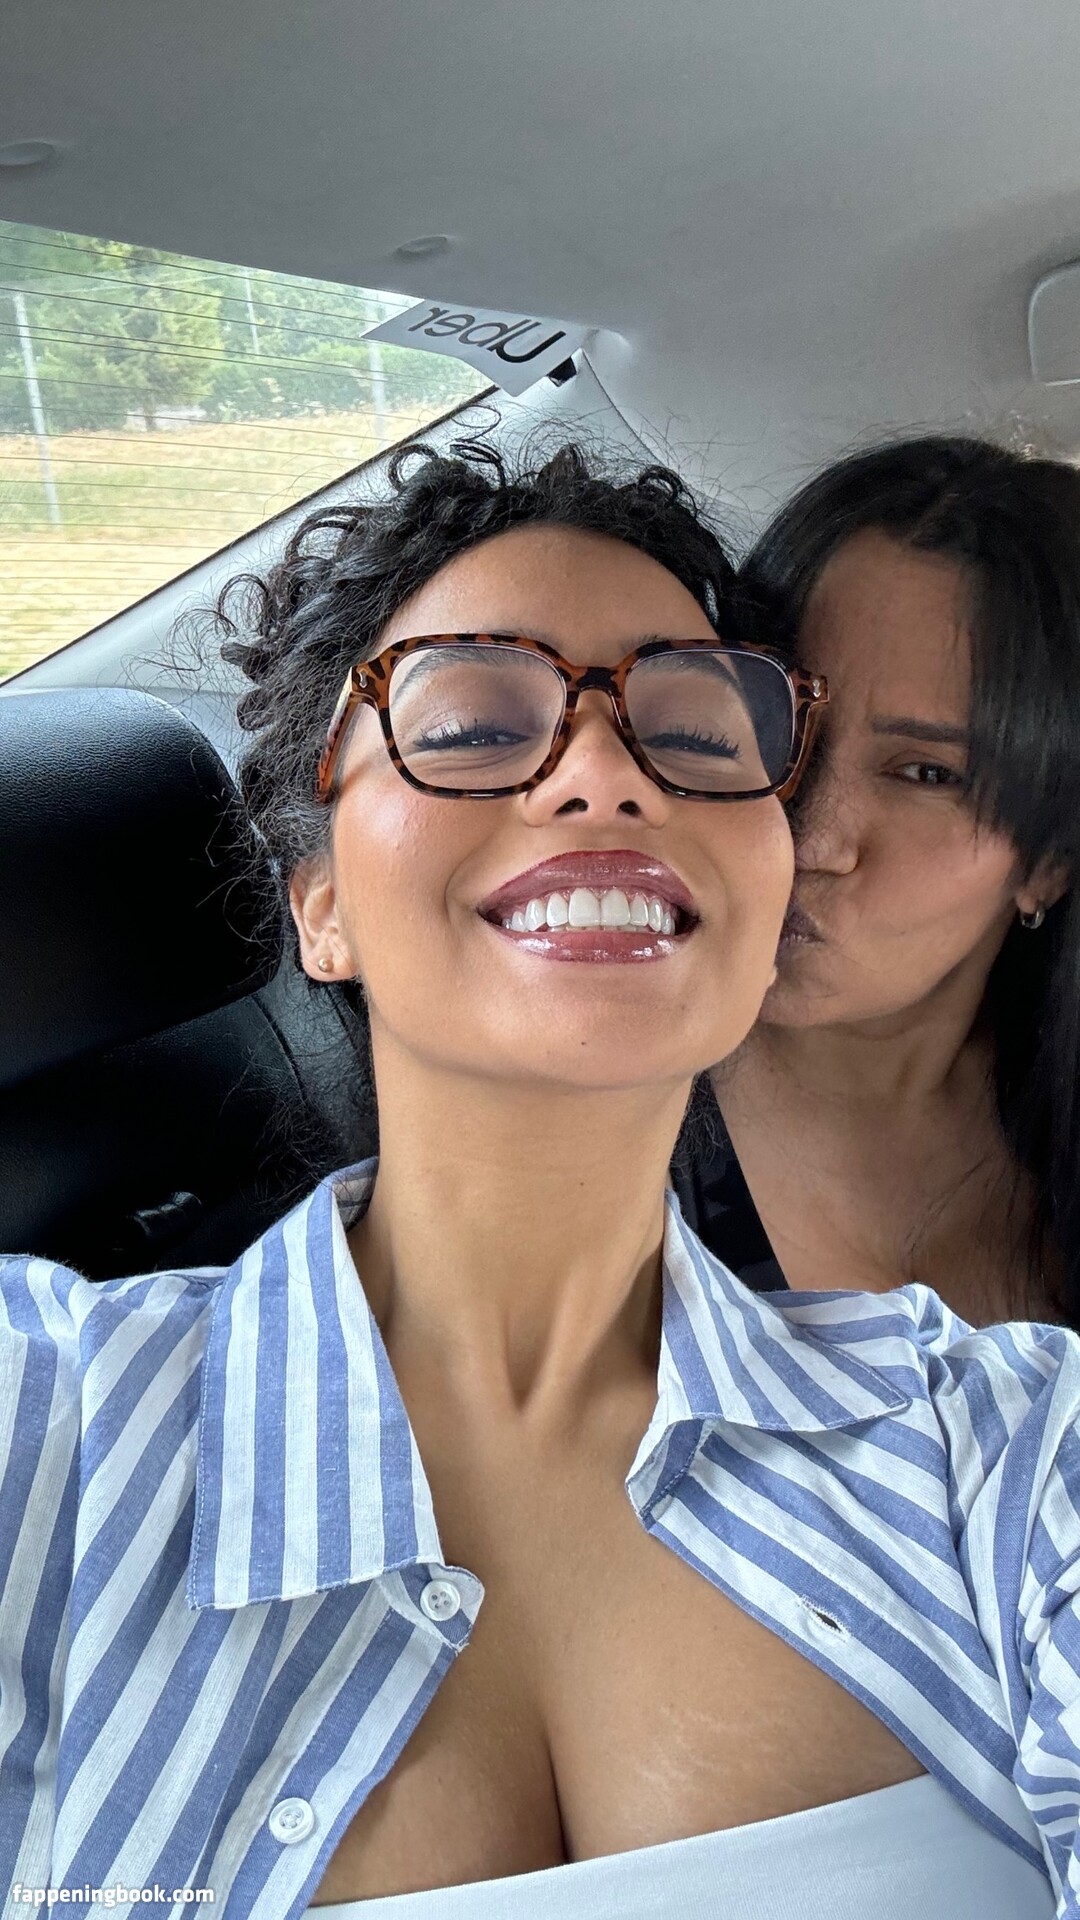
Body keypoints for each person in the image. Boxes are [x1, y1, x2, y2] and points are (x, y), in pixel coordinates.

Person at [0, 439, 1075, 1920]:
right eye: (468, 721)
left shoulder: (1006, 1439)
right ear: (320, 902)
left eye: (693, 733)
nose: (602, 772)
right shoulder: (45, 1410)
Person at [673, 435, 1080, 1329]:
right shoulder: (608, 1104)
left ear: (1048, 861)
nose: (807, 838)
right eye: (780, 726)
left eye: (927, 774)